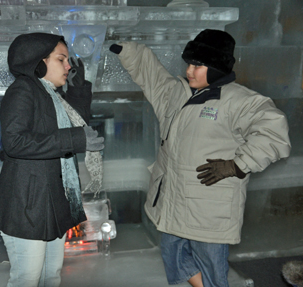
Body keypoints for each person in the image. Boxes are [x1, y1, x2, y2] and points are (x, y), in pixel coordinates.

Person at [109, 29, 291, 287]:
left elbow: (275, 133)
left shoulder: (240, 101)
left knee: (212, 267)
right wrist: (130, 52)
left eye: (198, 65)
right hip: (173, 200)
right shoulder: (177, 93)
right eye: (189, 64)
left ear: (217, 67)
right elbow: (152, 77)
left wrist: (237, 165)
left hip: (209, 207)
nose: (189, 71)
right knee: (174, 256)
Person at [0, 32, 104, 287]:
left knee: (51, 276)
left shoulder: (50, 94)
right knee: (27, 279)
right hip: (26, 205)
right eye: (61, 59)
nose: (68, 65)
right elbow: (15, 142)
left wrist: (79, 89)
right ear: (38, 62)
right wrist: (75, 140)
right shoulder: (23, 90)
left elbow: (73, 123)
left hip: (49, 202)